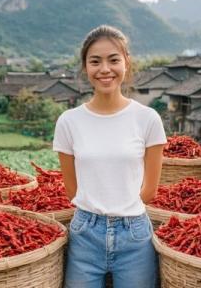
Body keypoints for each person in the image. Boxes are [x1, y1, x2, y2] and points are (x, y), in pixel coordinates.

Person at [53, 25, 167, 287]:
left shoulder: (148, 119)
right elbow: (72, 189)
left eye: (113, 60)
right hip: (85, 233)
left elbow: (150, 189)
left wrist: (124, 211)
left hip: (135, 235)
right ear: (85, 68)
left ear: (126, 62)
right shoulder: (69, 121)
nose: (105, 69)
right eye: (95, 61)